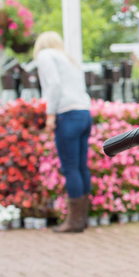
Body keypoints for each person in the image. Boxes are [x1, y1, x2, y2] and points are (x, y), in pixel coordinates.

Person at [33, 31, 92, 233]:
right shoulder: (68, 59)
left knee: (70, 167)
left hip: (67, 114)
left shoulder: (44, 56)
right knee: (81, 166)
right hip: (84, 112)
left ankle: (74, 221)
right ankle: (81, 219)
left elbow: (54, 84)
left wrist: (50, 114)